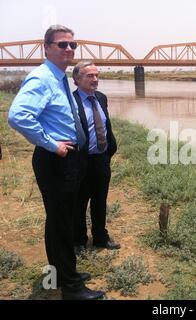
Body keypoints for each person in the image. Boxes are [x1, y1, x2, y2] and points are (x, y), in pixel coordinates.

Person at [8, 25, 104, 300]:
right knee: (61, 222)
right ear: (46, 48)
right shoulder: (42, 77)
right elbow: (18, 116)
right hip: (56, 161)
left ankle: (60, 274)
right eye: (62, 44)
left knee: (59, 219)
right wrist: (52, 144)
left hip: (65, 160)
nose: (69, 49)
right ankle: (71, 288)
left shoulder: (58, 77)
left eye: (73, 45)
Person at [72, 61, 120, 253]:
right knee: (79, 202)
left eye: (97, 75)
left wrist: (110, 149)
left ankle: (100, 237)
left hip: (101, 159)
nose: (95, 79)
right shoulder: (71, 101)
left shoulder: (101, 98)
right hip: (81, 161)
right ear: (76, 79)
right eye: (89, 76)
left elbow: (105, 126)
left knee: (100, 200)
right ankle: (79, 241)